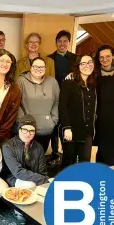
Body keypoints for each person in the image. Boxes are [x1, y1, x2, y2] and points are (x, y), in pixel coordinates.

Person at [1, 115, 49, 225]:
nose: (28, 133)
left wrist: (45, 182)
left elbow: (43, 171)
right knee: (29, 183)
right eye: (25, 129)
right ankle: (19, 212)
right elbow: (18, 172)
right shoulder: (8, 146)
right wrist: (44, 179)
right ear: (19, 129)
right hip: (13, 178)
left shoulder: (39, 147)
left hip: (33, 177)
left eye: (32, 131)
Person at [59, 55, 98, 169]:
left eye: (90, 62)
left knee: (84, 163)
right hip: (72, 130)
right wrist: (67, 127)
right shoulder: (69, 83)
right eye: (83, 63)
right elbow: (63, 106)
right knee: (68, 163)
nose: (88, 65)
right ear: (78, 66)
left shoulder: (93, 84)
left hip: (88, 131)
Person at [17, 57, 60, 153]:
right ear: (31, 68)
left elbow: (56, 103)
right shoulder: (21, 81)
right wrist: (22, 122)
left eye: (41, 67)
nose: (38, 69)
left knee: (40, 158)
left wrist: (53, 121)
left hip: (46, 128)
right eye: (36, 66)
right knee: (25, 158)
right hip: (27, 129)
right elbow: (16, 104)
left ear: (45, 69)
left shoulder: (52, 82)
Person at [47, 30, 77, 158]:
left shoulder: (76, 59)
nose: (62, 44)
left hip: (70, 98)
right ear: (56, 43)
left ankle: (67, 153)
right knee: (54, 125)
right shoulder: (49, 59)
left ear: (69, 43)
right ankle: (54, 153)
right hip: (53, 96)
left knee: (67, 124)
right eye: (59, 41)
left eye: (65, 41)